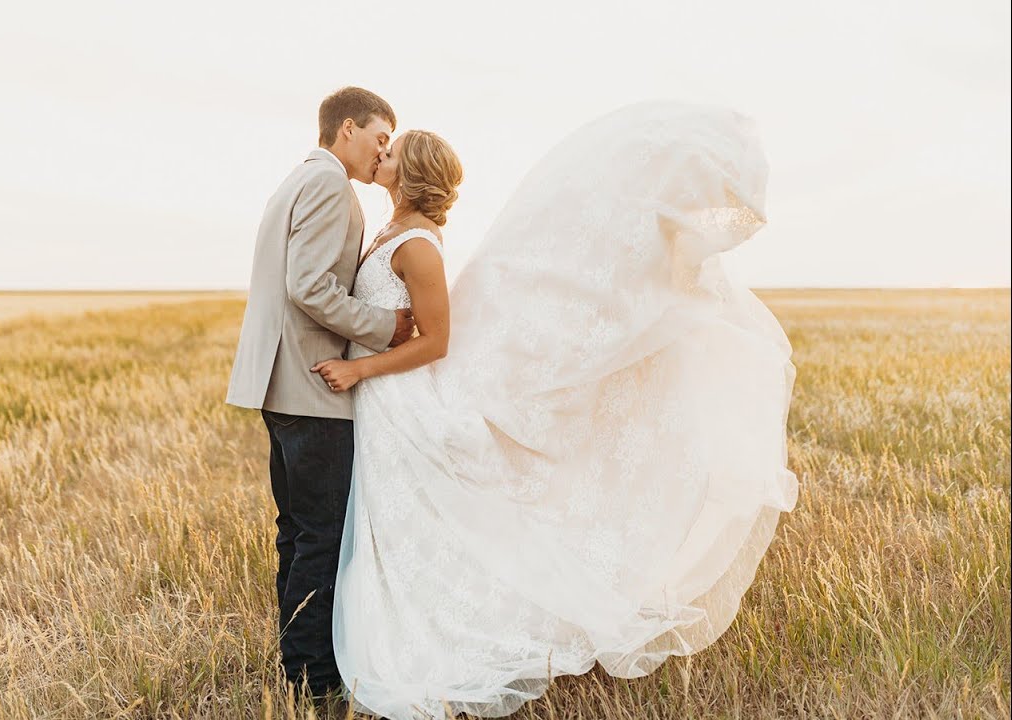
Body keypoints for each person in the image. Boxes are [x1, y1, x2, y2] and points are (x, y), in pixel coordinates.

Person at [315, 102, 798, 719]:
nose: (381, 153)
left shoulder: (419, 247)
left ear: (410, 173)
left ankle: (449, 641)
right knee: (394, 530)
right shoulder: (386, 229)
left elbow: (435, 342)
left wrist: (358, 368)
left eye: (393, 149)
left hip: (397, 397)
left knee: (414, 529)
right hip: (385, 403)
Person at [225, 86, 416, 697]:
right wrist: (385, 327)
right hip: (312, 385)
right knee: (323, 535)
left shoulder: (295, 179)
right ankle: (313, 676)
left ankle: (296, 662)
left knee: (298, 531)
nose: (383, 151)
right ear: (348, 129)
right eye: (381, 138)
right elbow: (308, 286)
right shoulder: (330, 184)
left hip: (278, 384)